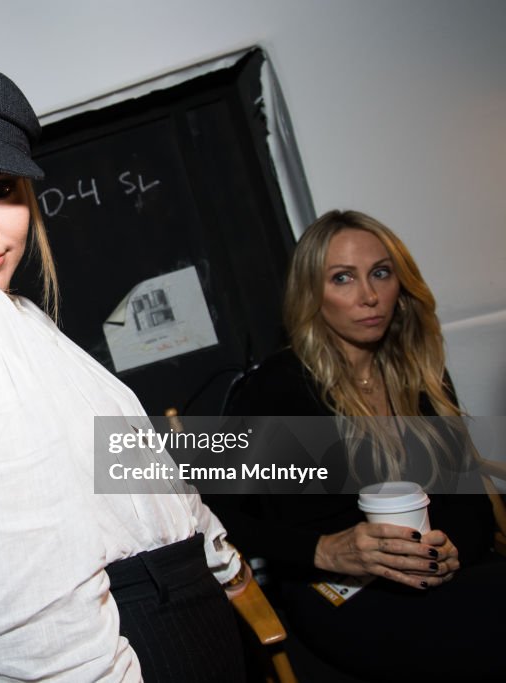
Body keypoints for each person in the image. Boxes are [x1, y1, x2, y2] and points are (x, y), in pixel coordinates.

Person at [0, 65, 248, 682]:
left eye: (2, 189)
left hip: (174, 607)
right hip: (132, 634)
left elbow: (132, 470)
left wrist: (218, 560)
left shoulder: (13, 314)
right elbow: (32, 589)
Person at [214, 209, 505, 682]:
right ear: (312, 293)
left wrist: (448, 551)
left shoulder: (419, 375)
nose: (369, 296)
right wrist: (325, 549)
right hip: (341, 595)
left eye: (381, 274)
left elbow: (467, 504)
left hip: (446, 578)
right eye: (343, 278)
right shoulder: (277, 389)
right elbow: (206, 513)